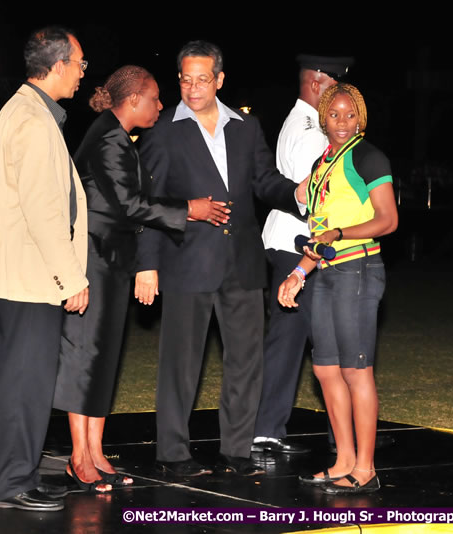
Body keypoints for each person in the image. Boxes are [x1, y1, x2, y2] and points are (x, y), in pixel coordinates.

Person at [52, 66, 230, 492]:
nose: (160, 105)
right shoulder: (109, 137)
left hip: (111, 260)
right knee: (85, 356)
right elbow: (131, 205)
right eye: (154, 98)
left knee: (104, 356)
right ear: (133, 99)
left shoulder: (116, 134)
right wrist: (189, 209)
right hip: (93, 258)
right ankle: (79, 458)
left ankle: (95, 451)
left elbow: (135, 202)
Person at [135, 41, 305, 477]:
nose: (193, 88)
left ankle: (237, 451)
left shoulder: (246, 127)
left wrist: (296, 192)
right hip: (185, 264)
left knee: (247, 361)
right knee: (180, 363)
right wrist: (146, 264)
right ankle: (173, 454)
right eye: (186, 79)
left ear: (220, 80)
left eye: (202, 79)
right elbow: (147, 204)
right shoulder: (163, 131)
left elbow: (265, 182)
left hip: (243, 263)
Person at [0, 26, 88, 511]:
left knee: (23, 382)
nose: (84, 72)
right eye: (80, 63)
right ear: (58, 65)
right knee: (26, 383)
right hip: (31, 277)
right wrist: (72, 278)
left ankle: (14, 476)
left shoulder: (25, 110)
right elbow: (45, 211)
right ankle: (12, 484)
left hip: (22, 275)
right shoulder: (34, 121)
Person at [278, 83, 398, 494]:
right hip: (326, 274)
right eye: (334, 115)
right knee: (326, 369)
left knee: (355, 369)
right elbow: (318, 232)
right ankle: (343, 460)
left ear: (360, 117)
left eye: (350, 115)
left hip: (359, 270)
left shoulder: (369, 157)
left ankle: (365, 468)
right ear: (323, 118)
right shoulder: (322, 162)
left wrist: (342, 232)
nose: (342, 122)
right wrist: (298, 272)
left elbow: (387, 219)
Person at [253, 54, 353, 455]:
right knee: (320, 342)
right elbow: (317, 197)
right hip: (301, 246)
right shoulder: (312, 131)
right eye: (334, 86)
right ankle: (275, 431)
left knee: (300, 339)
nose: (339, 99)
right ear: (315, 83)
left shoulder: (298, 122)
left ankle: (273, 430)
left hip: (291, 243)